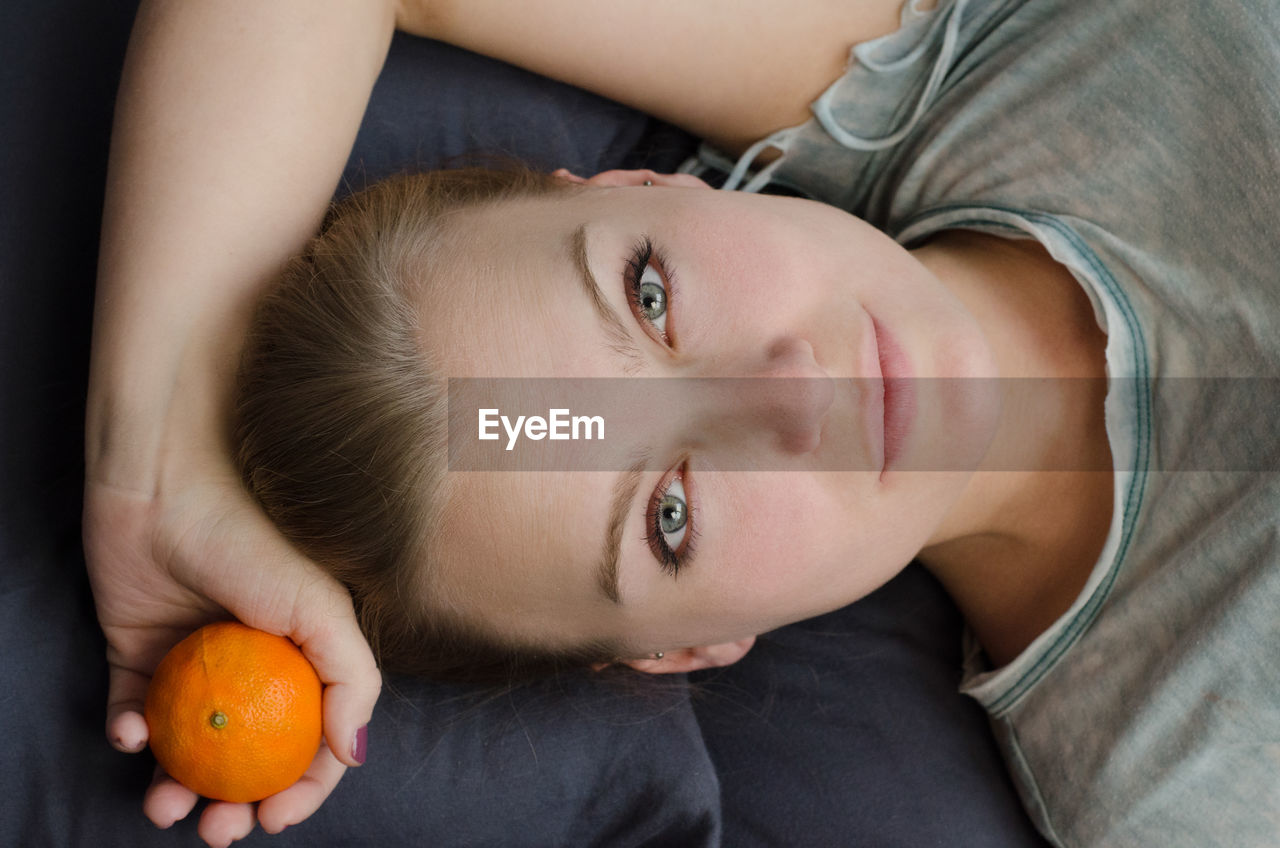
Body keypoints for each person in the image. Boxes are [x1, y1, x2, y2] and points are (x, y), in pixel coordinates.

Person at [85, 1, 1280, 847]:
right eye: (667, 514)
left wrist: (149, 463)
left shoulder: (986, 51)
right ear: (688, 646)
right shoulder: (1184, 779)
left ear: (642, 189)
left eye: (649, 295)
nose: (786, 394)